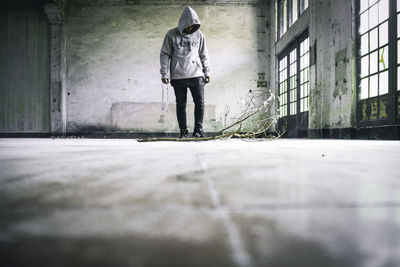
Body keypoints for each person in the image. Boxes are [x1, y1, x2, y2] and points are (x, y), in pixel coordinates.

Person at [160, 6, 210, 138]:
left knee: (200, 102)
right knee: (181, 105)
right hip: (178, 76)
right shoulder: (171, 34)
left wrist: (207, 72)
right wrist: (164, 73)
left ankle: (198, 130)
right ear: (183, 23)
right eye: (188, 25)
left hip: (197, 74)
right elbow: (165, 54)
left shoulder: (199, 35)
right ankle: (183, 131)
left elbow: (204, 54)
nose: (190, 28)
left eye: (193, 26)